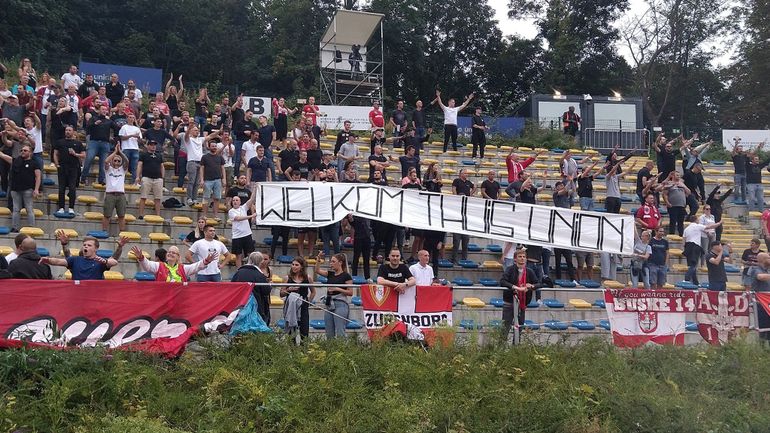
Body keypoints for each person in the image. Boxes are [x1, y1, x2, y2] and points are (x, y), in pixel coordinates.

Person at [499, 248, 540, 342]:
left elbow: (539, 283)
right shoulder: (510, 269)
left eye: (524, 257)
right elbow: (503, 281)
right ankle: (500, 349)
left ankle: (515, 349)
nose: (522, 258)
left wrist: (531, 286)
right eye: (520, 257)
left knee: (519, 328)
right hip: (509, 303)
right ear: (515, 259)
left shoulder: (529, 271)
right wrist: (515, 287)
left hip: (522, 304)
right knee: (505, 328)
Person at [0, 143, 40, 232]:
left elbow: (38, 176)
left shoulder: (34, 163)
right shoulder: (16, 161)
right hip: (15, 189)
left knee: (29, 209)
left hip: (28, 189)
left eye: (25, 150)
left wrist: (36, 189)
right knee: (16, 209)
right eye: (21, 150)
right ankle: (15, 227)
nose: (22, 152)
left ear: (30, 153)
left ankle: (31, 228)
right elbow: (3, 156)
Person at [40, 236, 119, 280]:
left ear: (96, 248)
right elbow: (58, 261)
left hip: (94, 295)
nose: (86, 246)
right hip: (78, 295)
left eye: (89, 245)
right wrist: (48, 260)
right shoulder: (75, 260)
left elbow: (114, 262)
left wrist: (105, 261)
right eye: (84, 245)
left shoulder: (100, 261)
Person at [314, 252, 353, 339]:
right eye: (331, 261)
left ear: (340, 263)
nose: (331, 264)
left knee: (340, 331)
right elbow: (317, 270)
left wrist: (337, 289)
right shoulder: (330, 274)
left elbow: (350, 292)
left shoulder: (346, 276)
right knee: (329, 332)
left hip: (340, 303)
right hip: (329, 303)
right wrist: (318, 260)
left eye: (333, 261)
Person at [134, 245, 215, 282]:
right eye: (169, 252)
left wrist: (206, 261)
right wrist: (141, 258)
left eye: (173, 253)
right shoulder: (159, 265)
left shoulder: (183, 268)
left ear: (178, 257)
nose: (170, 254)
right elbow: (147, 266)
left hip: (178, 299)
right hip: (162, 298)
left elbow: (196, 266)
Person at [232, 251, 272, 324]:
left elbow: (232, 287)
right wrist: (269, 285)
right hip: (255, 307)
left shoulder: (239, 272)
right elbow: (266, 291)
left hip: (239, 305)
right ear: (260, 262)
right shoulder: (259, 275)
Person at [184, 125, 220, 206]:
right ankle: (189, 198)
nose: (197, 131)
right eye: (195, 130)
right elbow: (186, 136)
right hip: (192, 162)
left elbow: (211, 136)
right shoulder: (189, 139)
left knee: (197, 183)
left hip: (200, 163)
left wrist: (219, 131)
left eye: (197, 130)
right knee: (191, 181)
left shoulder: (200, 139)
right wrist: (189, 128)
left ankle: (195, 198)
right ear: (191, 131)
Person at [53, 125, 85, 215]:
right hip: (62, 167)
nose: (67, 132)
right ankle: (61, 207)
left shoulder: (78, 143)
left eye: (69, 130)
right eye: (66, 130)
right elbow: (55, 153)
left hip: (73, 168)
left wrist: (75, 154)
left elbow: (83, 155)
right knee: (61, 188)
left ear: (73, 132)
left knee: (72, 188)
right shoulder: (60, 142)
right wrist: (57, 164)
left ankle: (71, 207)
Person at [281, 256, 315, 340]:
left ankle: (304, 351)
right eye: (292, 264)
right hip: (291, 306)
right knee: (291, 332)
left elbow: (313, 292)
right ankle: (293, 350)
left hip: (303, 305)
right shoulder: (287, 278)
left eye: (296, 265)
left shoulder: (308, 278)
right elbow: (281, 294)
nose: (294, 266)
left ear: (302, 267)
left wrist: (308, 302)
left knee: (304, 331)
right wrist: (288, 290)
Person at [682, 216, 722, 285]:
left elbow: (683, 241)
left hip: (688, 246)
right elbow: (709, 227)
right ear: (695, 220)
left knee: (691, 265)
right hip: (695, 246)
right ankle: (687, 277)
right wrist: (719, 223)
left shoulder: (686, 229)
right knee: (694, 265)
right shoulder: (697, 226)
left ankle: (695, 282)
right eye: (698, 219)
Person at [80, 104, 114, 185]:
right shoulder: (93, 118)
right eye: (103, 109)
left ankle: (101, 180)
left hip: (105, 143)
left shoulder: (109, 121)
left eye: (106, 110)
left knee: (103, 163)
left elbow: (116, 128)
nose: (104, 111)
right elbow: (87, 127)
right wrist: (94, 124)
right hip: (93, 142)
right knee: (88, 159)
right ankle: (83, 178)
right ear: (99, 110)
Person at [228, 185, 257, 268]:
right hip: (237, 236)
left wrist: (254, 188)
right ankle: (239, 271)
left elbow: (251, 199)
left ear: (240, 202)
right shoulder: (231, 211)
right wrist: (251, 216)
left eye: (237, 200)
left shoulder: (243, 208)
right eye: (233, 200)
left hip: (247, 234)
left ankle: (250, 269)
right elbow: (238, 218)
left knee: (250, 254)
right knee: (238, 256)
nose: (235, 201)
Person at [102, 144, 128, 231]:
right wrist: (115, 152)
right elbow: (106, 161)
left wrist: (120, 152)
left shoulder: (122, 170)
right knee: (107, 215)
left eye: (118, 161)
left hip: (121, 195)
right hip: (110, 194)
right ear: (112, 161)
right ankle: (104, 232)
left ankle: (122, 233)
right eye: (115, 160)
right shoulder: (108, 169)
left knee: (121, 215)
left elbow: (127, 161)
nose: (116, 162)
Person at [451, 169, 476, 263]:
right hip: (457, 220)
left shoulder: (468, 182)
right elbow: (453, 189)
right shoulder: (456, 181)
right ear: (460, 174)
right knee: (456, 242)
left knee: (465, 242)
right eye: (465, 173)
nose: (466, 174)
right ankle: (454, 259)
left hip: (465, 221)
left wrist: (470, 194)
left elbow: (475, 187)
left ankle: (464, 259)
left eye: (467, 173)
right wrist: (456, 197)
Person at [198, 139, 226, 220]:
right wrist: (202, 179)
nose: (214, 147)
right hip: (207, 180)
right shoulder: (205, 157)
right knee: (206, 198)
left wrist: (224, 179)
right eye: (212, 146)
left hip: (217, 180)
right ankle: (204, 215)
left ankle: (216, 215)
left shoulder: (220, 157)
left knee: (217, 198)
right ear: (209, 147)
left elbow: (223, 168)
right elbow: (201, 168)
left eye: (215, 146)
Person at [135, 140, 164, 216]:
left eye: (154, 144)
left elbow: (162, 166)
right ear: (147, 146)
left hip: (158, 178)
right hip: (146, 177)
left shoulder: (159, 155)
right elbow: (139, 165)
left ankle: (158, 215)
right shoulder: (143, 154)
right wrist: (138, 176)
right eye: (151, 144)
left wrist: (162, 177)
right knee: (143, 197)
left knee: (158, 198)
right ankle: (141, 215)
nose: (153, 146)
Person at [661, 171, 690, 236]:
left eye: (679, 175)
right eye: (677, 175)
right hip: (673, 205)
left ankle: (681, 235)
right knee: (673, 221)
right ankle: (672, 235)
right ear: (673, 176)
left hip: (682, 205)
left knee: (681, 222)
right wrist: (667, 202)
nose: (678, 176)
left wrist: (684, 186)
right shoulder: (669, 183)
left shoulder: (682, 184)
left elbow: (689, 192)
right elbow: (664, 194)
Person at [749, 253, 770, 341]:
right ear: (762, 260)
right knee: (762, 325)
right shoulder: (755, 269)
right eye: (768, 258)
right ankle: (761, 347)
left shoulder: (767, 270)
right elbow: (760, 277)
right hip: (760, 303)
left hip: (768, 302)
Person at [347, 213, 372, 281]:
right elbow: (352, 222)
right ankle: (354, 275)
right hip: (358, 238)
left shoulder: (367, 215)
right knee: (356, 258)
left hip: (367, 238)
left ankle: (367, 276)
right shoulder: (354, 214)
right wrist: (350, 218)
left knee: (366, 259)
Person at [731, 139, 749, 203]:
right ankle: (736, 199)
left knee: (744, 189)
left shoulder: (744, 156)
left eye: (741, 148)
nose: (741, 149)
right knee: (737, 188)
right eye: (739, 148)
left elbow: (751, 154)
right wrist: (736, 144)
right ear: (737, 150)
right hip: (737, 174)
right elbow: (732, 153)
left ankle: (744, 200)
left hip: (744, 174)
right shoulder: (735, 156)